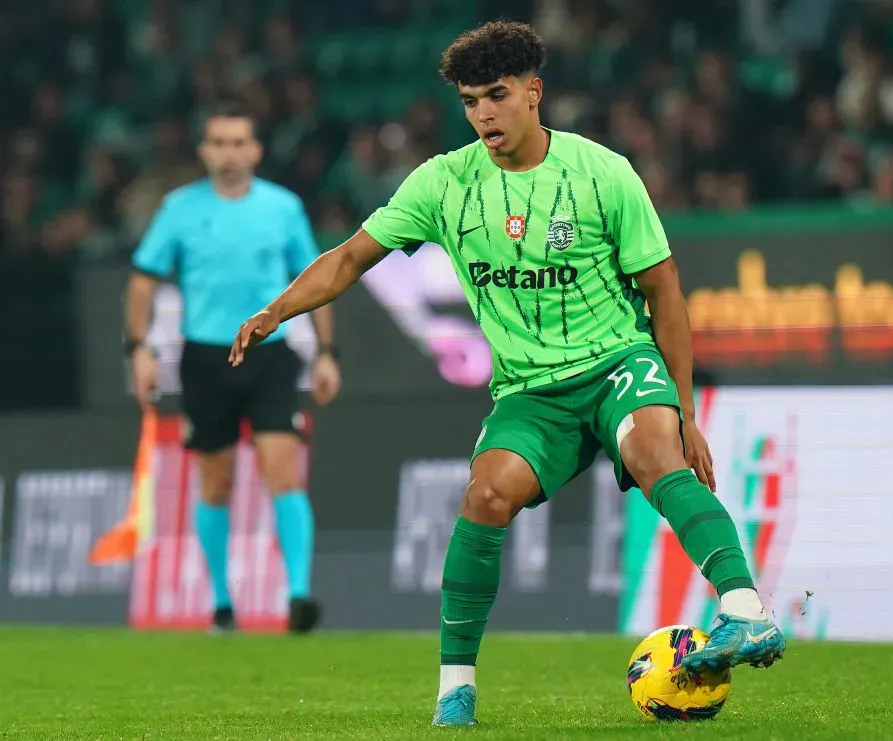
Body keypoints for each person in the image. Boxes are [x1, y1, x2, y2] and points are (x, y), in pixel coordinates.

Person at [229, 21, 784, 724]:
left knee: (654, 453)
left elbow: (664, 290)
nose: (484, 114)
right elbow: (347, 257)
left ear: (533, 92)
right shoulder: (443, 182)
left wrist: (684, 407)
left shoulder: (602, 173)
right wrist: (276, 310)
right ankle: (455, 687)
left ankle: (744, 610)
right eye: (470, 101)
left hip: (617, 361)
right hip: (530, 390)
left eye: (496, 95)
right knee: (486, 495)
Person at [124, 101, 341, 634]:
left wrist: (328, 353)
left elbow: (316, 281)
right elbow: (142, 281)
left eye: (238, 143)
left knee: (281, 470)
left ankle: (298, 597)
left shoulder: (283, 208)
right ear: (203, 150)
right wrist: (138, 347)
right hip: (205, 358)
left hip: (270, 355)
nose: (228, 154)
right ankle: (222, 604)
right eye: (218, 143)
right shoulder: (178, 208)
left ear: (256, 150)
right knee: (215, 483)